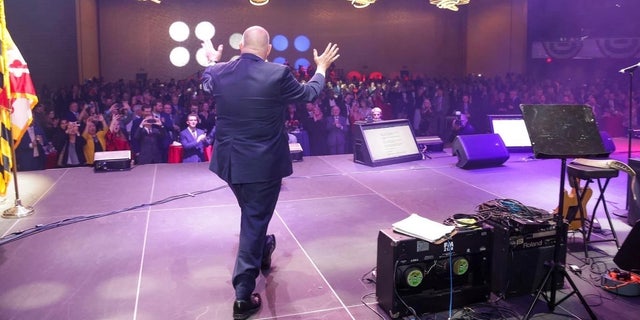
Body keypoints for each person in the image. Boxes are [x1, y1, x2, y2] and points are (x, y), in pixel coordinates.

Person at [200, 25, 339, 320]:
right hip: (262, 166)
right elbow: (310, 93)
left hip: (228, 163)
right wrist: (322, 67)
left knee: (253, 212)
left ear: (241, 47)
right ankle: (242, 295)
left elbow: (206, 81)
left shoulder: (220, 71)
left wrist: (212, 61)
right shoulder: (277, 73)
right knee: (253, 218)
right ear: (267, 51)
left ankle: (263, 247)